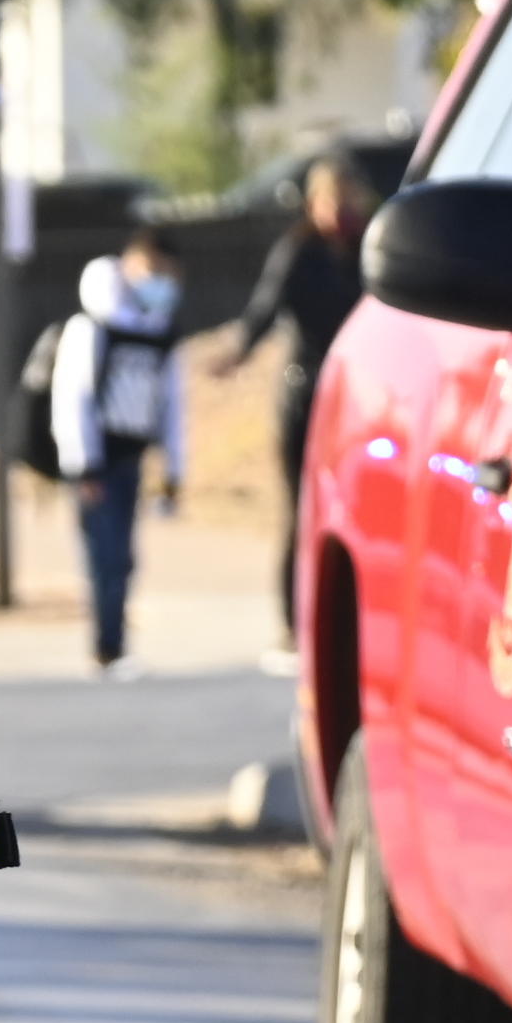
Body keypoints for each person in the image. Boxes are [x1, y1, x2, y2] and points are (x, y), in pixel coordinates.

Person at [222, 148, 375, 655]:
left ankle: (346, 622)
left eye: (351, 200)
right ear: (314, 204)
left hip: (356, 398)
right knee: (302, 509)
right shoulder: (298, 252)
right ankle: (293, 622)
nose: (344, 210)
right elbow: (264, 310)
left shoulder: (369, 252)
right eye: (335, 201)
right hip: (305, 393)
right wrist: (238, 351)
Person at [53, 230, 185, 674]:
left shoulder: (159, 333)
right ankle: (105, 647)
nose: (161, 283)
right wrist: (84, 467)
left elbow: (172, 407)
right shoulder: (92, 327)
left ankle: (115, 645)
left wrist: (174, 470)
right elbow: (73, 400)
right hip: (97, 465)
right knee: (104, 557)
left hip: (131, 461)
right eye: (153, 271)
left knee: (124, 559)